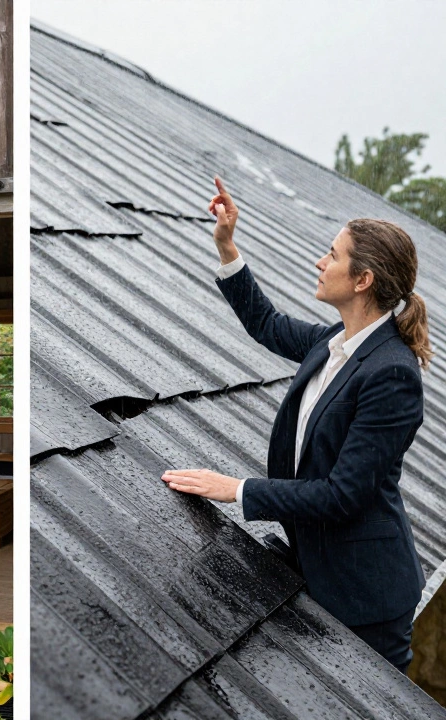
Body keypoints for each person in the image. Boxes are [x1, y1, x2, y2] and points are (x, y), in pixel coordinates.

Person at [162, 177, 430, 672]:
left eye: (332, 254)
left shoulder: (391, 373)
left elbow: (342, 495)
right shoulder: (337, 341)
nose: (320, 262)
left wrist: (238, 490)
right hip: (319, 567)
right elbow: (265, 323)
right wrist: (227, 246)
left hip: (364, 594)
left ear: (362, 280)